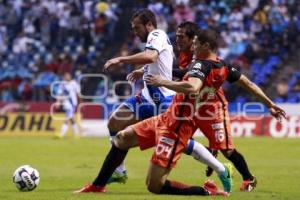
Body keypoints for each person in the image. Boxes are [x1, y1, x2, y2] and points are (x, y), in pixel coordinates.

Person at [100, 9, 232, 190]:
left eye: (137, 27)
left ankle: (221, 168)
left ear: (148, 25)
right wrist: (143, 71)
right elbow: (157, 63)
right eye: (132, 28)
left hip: (164, 99)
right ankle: (119, 171)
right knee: (114, 123)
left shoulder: (157, 34)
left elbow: (151, 56)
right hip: (147, 97)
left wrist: (120, 59)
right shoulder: (153, 40)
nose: (134, 31)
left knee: (181, 142)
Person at [144, 29, 287, 192]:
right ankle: (211, 156)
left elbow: (193, 86)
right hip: (196, 111)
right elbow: (249, 85)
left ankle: (248, 178)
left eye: (196, 44)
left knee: (226, 149)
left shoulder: (205, 65)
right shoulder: (219, 66)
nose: (193, 48)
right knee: (186, 142)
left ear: (206, 46)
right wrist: (270, 104)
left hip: (210, 111)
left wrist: (162, 81)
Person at [54, 72, 81, 139]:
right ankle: (77, 134)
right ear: (64, 77)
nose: (67, 77)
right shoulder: (62, 84)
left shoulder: (74, 83)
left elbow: (78, 93)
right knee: (70, 118)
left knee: (67, 117)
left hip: (73, 103)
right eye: (66, 76)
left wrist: (81, 102)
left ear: (70, 77)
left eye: (68, 76)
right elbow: (59, 94)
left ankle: (61, 134)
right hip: (66, 102)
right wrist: (57, 102)